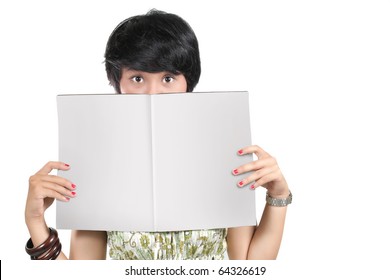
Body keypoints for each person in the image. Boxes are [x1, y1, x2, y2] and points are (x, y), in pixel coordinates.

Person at [25, 9, 291, 260]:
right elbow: (83, 274)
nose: (153, 94)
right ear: (118, 83)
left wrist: (278, 195)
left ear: (188, 81)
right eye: (138, 79)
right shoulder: (99, 162)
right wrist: (36, 223)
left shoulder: (219, 149)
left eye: (168, 78)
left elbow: (249, 267)